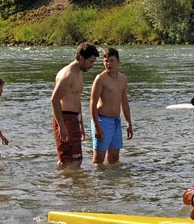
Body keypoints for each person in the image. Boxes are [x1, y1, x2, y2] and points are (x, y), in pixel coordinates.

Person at [51, 42, 99, 170]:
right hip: (65, 119)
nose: (92, 65)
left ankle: (64, 186)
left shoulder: (78, 72)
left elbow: (77, 101)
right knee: (72, 161)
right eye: (90, 62)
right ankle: (64, 186)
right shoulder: (68, 75)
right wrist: (61, 125)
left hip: (73, 119)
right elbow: (54, 100)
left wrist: (81, 125)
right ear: (81, 58)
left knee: (71, 160)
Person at [89, 48, 133, 165]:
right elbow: (92, 104)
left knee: (114, 159)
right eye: (106, 61)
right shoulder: (100, 79)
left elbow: (124, 102)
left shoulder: (123, 79)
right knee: (98, 160)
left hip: (116, 122)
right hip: (102, 121)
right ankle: (96, 182)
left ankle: (111, 183)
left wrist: (128, 123)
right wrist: (97, 126)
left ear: (118, 61)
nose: (108, 64)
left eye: (112, 61)